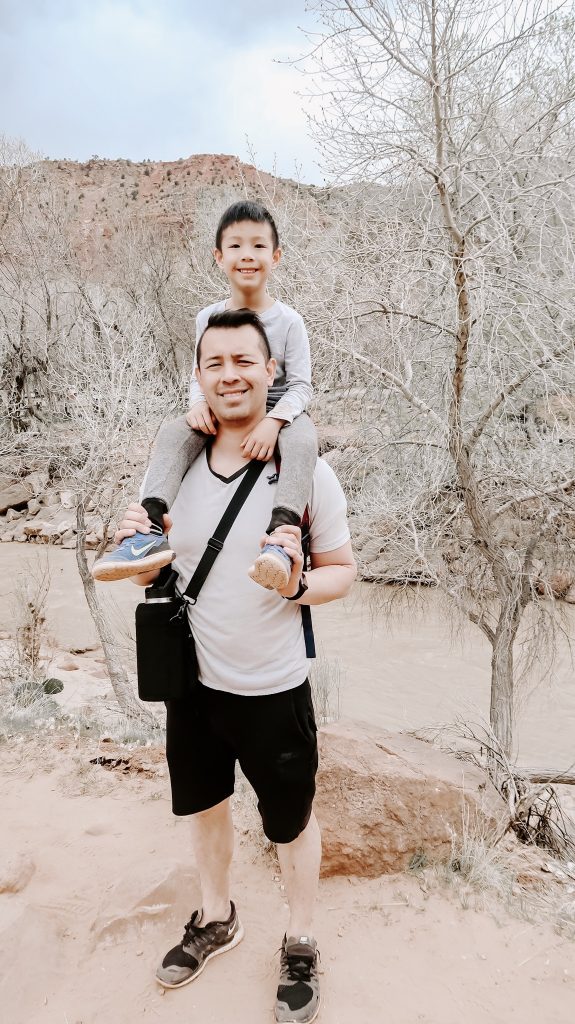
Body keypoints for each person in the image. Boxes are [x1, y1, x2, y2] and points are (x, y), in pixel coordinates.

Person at [115, 308, 355, 1024]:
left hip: (272, 686)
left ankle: (301, 938)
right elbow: (153, 566)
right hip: (192, 684)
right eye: (214, 363)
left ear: (270, 372)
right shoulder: (174, 466)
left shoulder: (306, 472)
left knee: (289, 820)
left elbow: (343, 569)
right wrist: (137, 558)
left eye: (244, 362)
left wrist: (298, 586)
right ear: (198, 375)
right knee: (205, 807)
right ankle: (216, 916)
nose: (229, 375)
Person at [92, 200, 317, 593]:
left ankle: (282, 540)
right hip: (220, 409)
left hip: (279, 413)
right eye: (235, 246)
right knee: (173, 433)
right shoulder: (207, 317)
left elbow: (301, 385)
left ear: (276, 256)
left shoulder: (289, 321)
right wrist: (197, 404)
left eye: (258, 246)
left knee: (303, 442)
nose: (247, 255)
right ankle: (147, 529)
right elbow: (200, 372)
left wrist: (274, 421)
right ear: (218, 256)